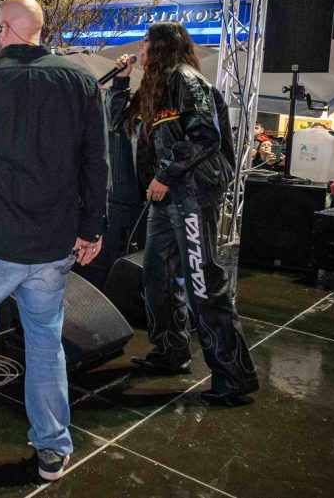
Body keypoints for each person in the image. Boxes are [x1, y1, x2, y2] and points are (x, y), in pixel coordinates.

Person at [0, 0, 108, 482]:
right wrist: (91, 227)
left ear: (5, 30)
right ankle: (52, 447)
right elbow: (97, 159)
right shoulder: (79, 79)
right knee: (46, 344)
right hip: (53, 242)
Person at [109, 21, 258, 406]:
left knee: (202, 280)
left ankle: (233, 374)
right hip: (167, 198)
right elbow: (117, 123)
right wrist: (122, 83)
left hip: (190, 194)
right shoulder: (156, 87)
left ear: (159, 46)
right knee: (158, 276)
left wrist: (164, 175)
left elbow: (204, 135)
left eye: (144, 42)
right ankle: (171, 351)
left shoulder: (186, 80)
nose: (139, 48)